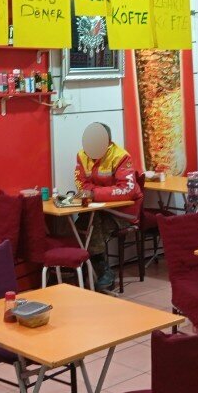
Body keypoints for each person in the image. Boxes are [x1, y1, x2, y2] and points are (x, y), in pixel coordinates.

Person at [74, 122, 142, 290]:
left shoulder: (121, 157)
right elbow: (81, 184)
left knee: (93, 226)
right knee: (79, 226)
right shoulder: (82, 155)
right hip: (96, 210)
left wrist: (94, 193)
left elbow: (127, 190)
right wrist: (93, 193)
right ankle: (83, 270)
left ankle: (103, 271)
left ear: (109, 142)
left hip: (123, 212)